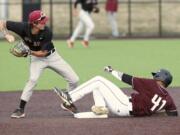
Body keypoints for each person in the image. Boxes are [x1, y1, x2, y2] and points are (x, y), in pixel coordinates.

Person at [0, 10, 79, 118]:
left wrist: (28, 52)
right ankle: (20, 109)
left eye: (44, 20)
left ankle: (67, 102)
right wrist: (7, 35)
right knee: (32, 79)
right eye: (42, 21)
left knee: (74, 79)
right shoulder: (22, 27)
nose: (44, 23)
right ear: (34, 23)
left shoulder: (47, 32)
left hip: (52, 57)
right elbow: (2, 22)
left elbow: (43, 53)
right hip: (36, 59)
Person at [54, 66, 178, 117]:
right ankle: (100, 110)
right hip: (129, 108)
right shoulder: (168, 99)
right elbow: (173, 114)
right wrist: (154, 111)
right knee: (98, 86)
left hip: (124, 105)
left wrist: (111, 71)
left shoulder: (152, 85)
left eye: (156, 75)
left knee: (98, 80)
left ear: (160, 78)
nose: (153, 77)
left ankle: (70, 97)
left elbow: (128, 79)